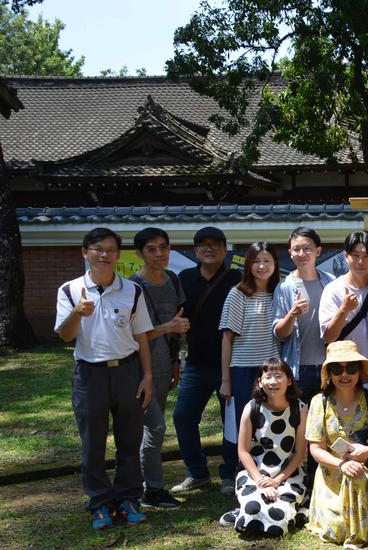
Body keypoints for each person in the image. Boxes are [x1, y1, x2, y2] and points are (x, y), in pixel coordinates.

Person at [55, 227, 154, 530]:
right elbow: (64, 335)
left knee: (129, 439)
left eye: (111, 250)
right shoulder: (70, 290)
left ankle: (128, 498)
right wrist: (77, 313)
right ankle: (99, 502)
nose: (104, 255)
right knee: (93, 442)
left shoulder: (132, 290)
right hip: (90, 374)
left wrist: (147, 375)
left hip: (127, 371)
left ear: (117, 255)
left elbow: (141, 337)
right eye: (97, 249)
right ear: (85, 252)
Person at [172, 226, 242, 496]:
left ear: (225, 249)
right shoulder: (185, 278)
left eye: (215, 244)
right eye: (203, 244)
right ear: (195, 250)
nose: (209, 248)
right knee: (183, 417)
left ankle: (230, 472)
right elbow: (178, 317)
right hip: (197, 364)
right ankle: (197, 472)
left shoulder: (237, 278)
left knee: (232, 422)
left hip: (232, 365)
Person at [305, 341, 368, 548]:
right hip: (331, 473)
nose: (344, 375)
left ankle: (361, 530)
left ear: (360, 371)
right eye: (337, 369)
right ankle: (359, 529)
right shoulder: (320, 402)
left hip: (367, 468)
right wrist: (341, 465)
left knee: (357, 476)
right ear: (329, 374)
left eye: (351, 368)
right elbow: (315, 449)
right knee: (334, 530)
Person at [130, 227, 188, 510]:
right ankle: (151, 491)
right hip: (139, 370)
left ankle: (142, 484)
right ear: (139, 253)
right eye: (151, 249)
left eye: (163, 247)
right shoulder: (132, 287)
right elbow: (130, 335)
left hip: (166, 366)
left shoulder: (173, 281)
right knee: (155, 427)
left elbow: (176, 325)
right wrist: (168, 327)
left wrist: (176, 361)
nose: (158, 254)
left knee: (150, 429)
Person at [220, 241, 282, 489]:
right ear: (248, 264)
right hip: (243, 368)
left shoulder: (281, 291)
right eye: (256, 260)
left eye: (267, 260)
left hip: (273, 370)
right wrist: (226, 379)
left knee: (269, 421)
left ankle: (268, 471)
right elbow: (227, 338)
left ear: (276, 264)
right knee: (241, 424)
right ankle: (235, 473)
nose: (262, 265)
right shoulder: (238, 293)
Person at [226, 358, 309, 536]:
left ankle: (292, 510)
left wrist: (277, 481)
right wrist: (261, 481)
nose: (273, 382)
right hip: (255, 472)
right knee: (252, 509)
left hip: (288, 473)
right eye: (268, 377)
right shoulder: (252, 408)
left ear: (289, 380)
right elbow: (243, 451)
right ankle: (244, 510)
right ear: (260, 382)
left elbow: (300, 453)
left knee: (279, 521)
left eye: (278, 376)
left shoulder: (300, 409)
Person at [273, 227, 334, 403]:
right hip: (298, 369)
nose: (302, 253)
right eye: (296, 249)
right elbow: (279, 333)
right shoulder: (284, 287)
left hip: (330, 367)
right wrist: (292, 314)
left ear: (318, 251)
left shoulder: (331, 282)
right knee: (300, 422)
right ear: (290, 253)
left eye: (307, 248)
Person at [320, 231, 368, 390]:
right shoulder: (333, 290)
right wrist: (344, 310)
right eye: (355, 255)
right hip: (344, 376)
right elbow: (328, 337)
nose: (360, 261)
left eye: (367, 256)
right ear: (346, 256)